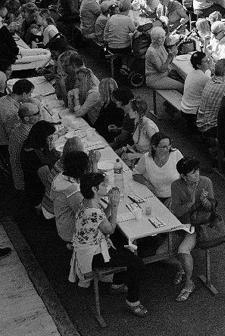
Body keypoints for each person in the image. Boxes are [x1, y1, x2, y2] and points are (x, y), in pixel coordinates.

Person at [69, 172, 149, 316]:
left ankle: (117, 284)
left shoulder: (86, 203)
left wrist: (110, 207)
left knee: (123, 244)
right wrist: (115, 205)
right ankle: (133, 301)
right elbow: (110, 229)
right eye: (103, 185)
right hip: (94, 255)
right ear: (94, 189)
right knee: (136, 263)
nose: (106, 187)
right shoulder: (93, 211)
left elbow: (101, 219)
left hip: (91, 247)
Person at [166, 157, 215, 301]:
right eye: (193, 173)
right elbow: (177, 211)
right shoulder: (176, 185)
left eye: (197, 171)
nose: (197, 175)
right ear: (183, 176)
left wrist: (206, 202)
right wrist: (191, 202)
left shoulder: (206, 182)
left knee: (183, 250)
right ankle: (182, 266)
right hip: (180, 224)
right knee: (161, 254)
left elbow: (212, 208)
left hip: (196, 226)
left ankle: (189, 283)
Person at [132, 133, 183, 201]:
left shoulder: (176, 154)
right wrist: (148, 185)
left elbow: (186, 173)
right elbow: (136, 174)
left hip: (174, 197)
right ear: (154, 147)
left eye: (169, 145)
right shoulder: (146, 158)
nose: (168, 149)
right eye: (164, 147)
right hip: (154, 196)